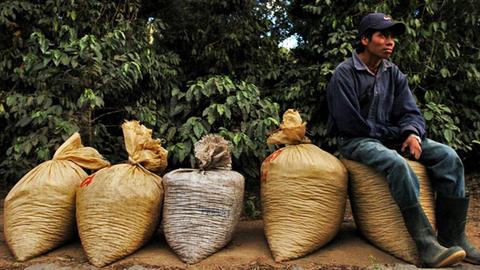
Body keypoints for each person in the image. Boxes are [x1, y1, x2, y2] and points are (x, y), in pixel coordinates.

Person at [326, 12, 480, 268]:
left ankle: (454, 237)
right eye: (383, 35)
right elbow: (351, 124)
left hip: (391, 137)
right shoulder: (344, 73)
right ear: (365, 40)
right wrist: (397, 136)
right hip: (356, 141)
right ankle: (427, 245)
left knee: (449, 158)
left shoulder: (393, 73)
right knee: (397, 164)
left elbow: (410, 112)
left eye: (392, 36)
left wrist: (411, 133)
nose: (390, 42)